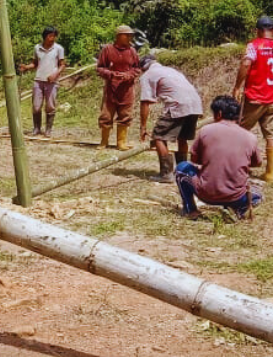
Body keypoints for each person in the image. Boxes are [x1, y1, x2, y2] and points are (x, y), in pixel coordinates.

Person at [175, 95, 263, 221]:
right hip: (235, 197)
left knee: (181, 168)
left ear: (219, 114)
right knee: (258, 195)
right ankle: (237, 211)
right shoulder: (250, 137)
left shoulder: (206, 131)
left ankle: (190, 209)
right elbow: (257, 163)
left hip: (206, 194)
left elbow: (195, 159)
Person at [231, 15, 273, 182]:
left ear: (257, 30)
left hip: (254, 97)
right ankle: (270, 173)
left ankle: (238, 167)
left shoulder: (254, 46)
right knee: (271, 136)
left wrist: (237, 86)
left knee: (239, 132)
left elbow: (245, 64)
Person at [138, 55, 203, 183]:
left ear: (143, 68)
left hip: (178, 105)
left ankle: (166, 174)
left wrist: (143, 126)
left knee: (158, 137)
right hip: (195, 104)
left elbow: (145, 102)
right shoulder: (171, 70)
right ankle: (183, 172)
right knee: (182, 137)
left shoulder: (147, 75)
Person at [97, 24, 141, 150]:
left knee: (125, 115)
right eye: (126, 35)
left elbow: (137, 68)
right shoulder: (107, 50)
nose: (129, 38)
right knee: (106, 116)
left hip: (126, 90)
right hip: (111, 89)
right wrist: (111, 74)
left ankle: (121, 142)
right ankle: (104, 141)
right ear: (118, 36)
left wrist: (129, 75)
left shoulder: (132, 51)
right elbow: (100, 68)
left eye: (130, 35)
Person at [21, 27, 66, 137]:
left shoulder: (58, 49)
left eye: (54, 36)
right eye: (50, 36)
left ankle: (48, 130)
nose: (52, 38)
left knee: (50, 106)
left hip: (52, 82)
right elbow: (35, 64)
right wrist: (26, 67)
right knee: (36, 106)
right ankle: (36, 128)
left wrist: (55, 74)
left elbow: (62, 65)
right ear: (45, 36)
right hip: (38, 80)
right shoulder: (37, 48)